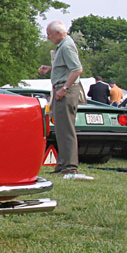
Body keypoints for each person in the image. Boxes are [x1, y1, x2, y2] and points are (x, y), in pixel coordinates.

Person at [38, 21, 86, 176]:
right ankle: (63, 164)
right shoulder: (63, 46)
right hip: (61, 88)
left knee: (66, 129)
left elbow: (77, 69)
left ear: (58, 33)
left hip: (66, 90)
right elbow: (67, 67)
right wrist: (52, 68)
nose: (48, 37)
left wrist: (64, 89)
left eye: (49, 34)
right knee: (60, 128)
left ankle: (70, 166)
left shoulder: (66, 46)